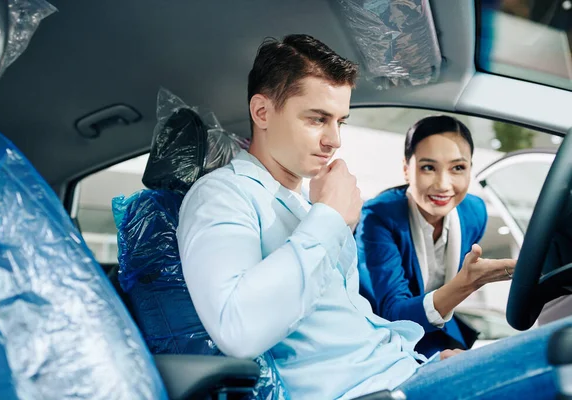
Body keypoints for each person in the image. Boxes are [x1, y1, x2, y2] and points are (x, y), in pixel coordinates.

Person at [177, 33, 570, 400]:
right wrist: (329, 217)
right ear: (262, 111)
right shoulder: (221, 195)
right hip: (368, 391)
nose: (334, 139)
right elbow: (237, 328)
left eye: (339, 121)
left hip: (404, 371)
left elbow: (354, 326)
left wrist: (424, 361)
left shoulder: (300, 205)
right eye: (317, 119)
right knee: (561, 354)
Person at [355, 116, 516, 358]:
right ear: (407, 170)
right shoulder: (379, 217)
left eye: (458, 168)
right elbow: (392, 313)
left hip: (438, 332)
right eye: (428, 167)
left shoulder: (475, 213)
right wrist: (465, 284)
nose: (443, 185)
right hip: (380, 339)